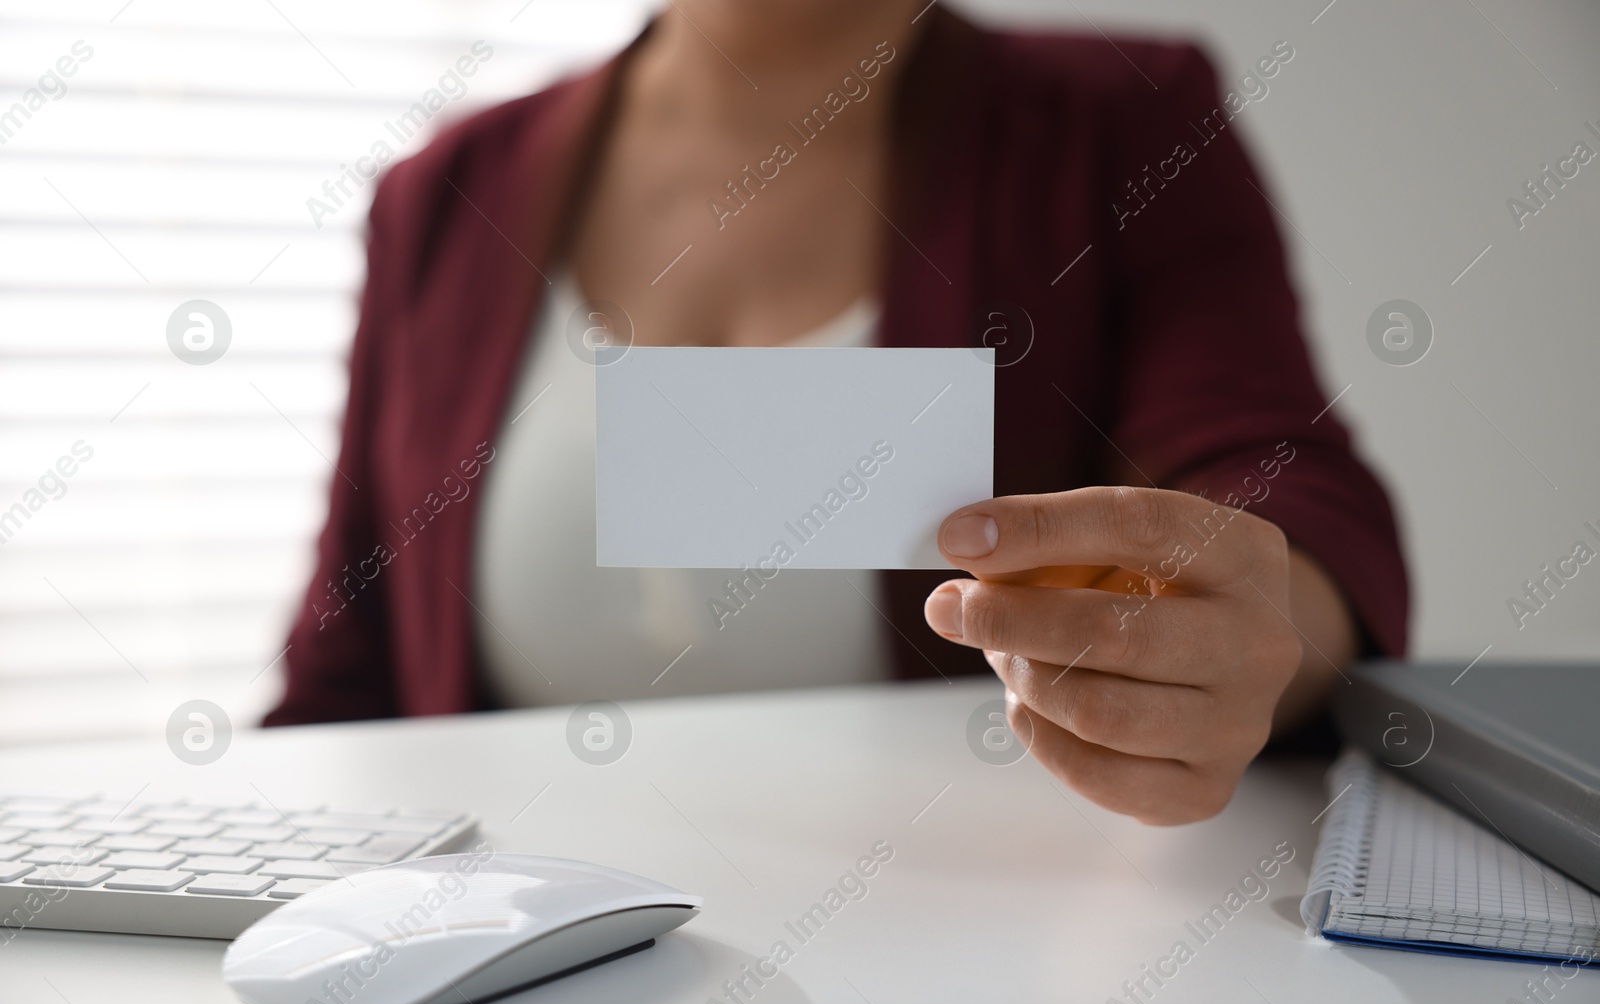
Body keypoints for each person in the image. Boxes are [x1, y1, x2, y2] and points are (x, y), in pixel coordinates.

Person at [265, 1, 1408, 826]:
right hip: (497, 970)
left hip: (963, 956)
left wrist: (1259, 627)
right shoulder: (444, 192)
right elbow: (343, 667)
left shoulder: (1120, 119)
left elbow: (1278, 482)